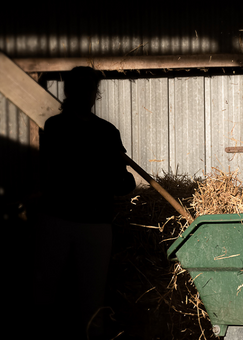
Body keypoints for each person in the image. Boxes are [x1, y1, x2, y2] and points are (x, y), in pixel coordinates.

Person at [32, 66, 136, 338]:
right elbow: (56, 172)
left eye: (89, 87)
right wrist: (105, 174)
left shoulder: (107, 132)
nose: (84, 92)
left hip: (95, 222)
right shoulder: (56, 127)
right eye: (78, 87)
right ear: (69, 91)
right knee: (47, 290)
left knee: (92, 294)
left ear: (95, 94)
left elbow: (121, 180)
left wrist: (125, 182)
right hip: (57, 219)